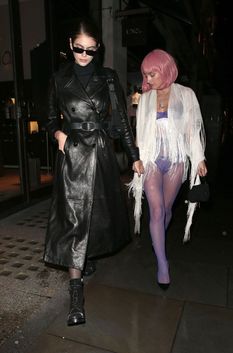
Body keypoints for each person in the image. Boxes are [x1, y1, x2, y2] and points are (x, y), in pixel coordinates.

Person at [43, 17, 143, 326]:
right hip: (73, 154)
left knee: (97, 215)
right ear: (69, 47)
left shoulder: (110, 78)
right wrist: (58, 134)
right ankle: (76, 298)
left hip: (100, 154)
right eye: (78, 49)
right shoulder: (59, 79)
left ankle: (87, 260)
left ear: (98, 48)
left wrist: (134, 156)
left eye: (90, 50)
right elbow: (48, 119)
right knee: (74, 220)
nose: (84, 56)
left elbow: (122, 123)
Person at [129, 49, 207, 290]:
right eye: (146, 74)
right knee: (155, 210)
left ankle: (157, 236)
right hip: (152, 160)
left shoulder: (186, 94)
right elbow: (140, 132)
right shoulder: (145, 97)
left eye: (152, 73)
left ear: (165, 70)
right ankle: (163, 265)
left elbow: (192, 132)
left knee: (166, 210)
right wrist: (137, 158)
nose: (148, 79)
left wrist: (200, 158)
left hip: (175, 161)